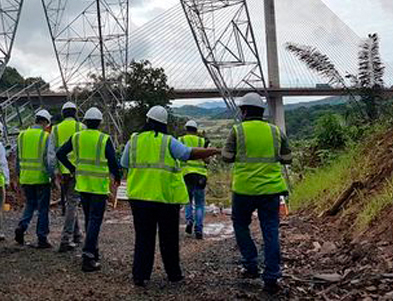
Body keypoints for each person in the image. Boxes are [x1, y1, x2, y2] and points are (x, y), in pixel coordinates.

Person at [121, 105, 220, 287]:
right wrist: (213, 150)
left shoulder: (133, 140)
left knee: (143, 237)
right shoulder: (168, 141)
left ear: (147, 120)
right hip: (165, 199)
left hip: (139, 198)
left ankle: (140, 275)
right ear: (164, 124)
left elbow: (124, 162)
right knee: (169, 238)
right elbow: (187, 154)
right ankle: (173, 274)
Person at [222, 92, 292, 294]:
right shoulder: (275, 131)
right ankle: (271, 277)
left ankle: (250, 264)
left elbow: (226, 157)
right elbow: (287, 157)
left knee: (240, 224)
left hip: (244, 189)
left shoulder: (237, 131)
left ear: (244, 111)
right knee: (270, 230)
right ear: (261, 111)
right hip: (271, 189)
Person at [56, 107, 121, 272]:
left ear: (85, 121)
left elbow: (60, 153)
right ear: (100, 122)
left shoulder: (77, 137)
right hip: (98, 187)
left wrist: (72, 168)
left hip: (83, 185)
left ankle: (94, 251)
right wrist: (117, 177)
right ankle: (88, 255)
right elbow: (113, 162)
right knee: (95, 221)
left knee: (89, 220)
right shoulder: (103, 139)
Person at [14, 109, 55, 249]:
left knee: (30, 204)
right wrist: (52, 176)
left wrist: (19, 175)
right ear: (44, 122)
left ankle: (22, 226)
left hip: (26, 178)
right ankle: (42, 237)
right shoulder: (45, 136)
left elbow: (17, 159)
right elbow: (49, 159)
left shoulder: (22, 135)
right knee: (43, 208)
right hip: (41, 178)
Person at [49, 101, 84, 252]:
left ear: (63, 114)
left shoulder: (55, 130)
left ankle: (77, 234)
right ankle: (66, 238)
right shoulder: (81, 127)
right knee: (72, 203)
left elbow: (52, 154)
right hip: (77, 171)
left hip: (63, 172)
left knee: (71, 202)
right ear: (75, 113)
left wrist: (55, 172)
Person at [180, 119, 210, 240]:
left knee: (188, 200)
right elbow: (207, 160)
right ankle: (199, 230)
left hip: (186, 174)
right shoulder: (202, 141)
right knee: (199, 204)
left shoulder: (181, 140)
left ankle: (189, 221)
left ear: (186, 129)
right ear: (196, 130)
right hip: (201, 176)